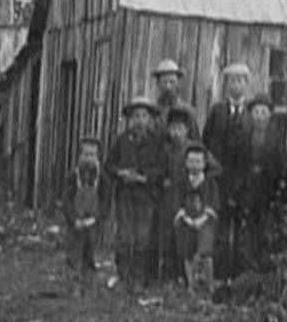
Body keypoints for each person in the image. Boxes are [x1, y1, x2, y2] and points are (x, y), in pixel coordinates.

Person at [105, 97, 164, 293]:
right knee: (124, 237)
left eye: (144, 116)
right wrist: (120, 173)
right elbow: (109, 165)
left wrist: (144, 177)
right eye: (136, 116)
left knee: (142, 238)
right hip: (124, 195)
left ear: (149, 119)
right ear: (130, 119)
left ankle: (139, 278)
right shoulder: (122, 140)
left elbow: (161, 168)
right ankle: (124, 277)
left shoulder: (155, 142)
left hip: (146, 197)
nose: (140, 120)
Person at [202, 62, 253, 279]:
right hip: (219, 177)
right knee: (220, 226)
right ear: (226, 84)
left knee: (241, 227)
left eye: (240, 80)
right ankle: (220, 274)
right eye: (232, 80)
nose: (236, 85)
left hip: (243, 179)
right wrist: (214, 168)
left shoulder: (252, 113)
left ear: (246, 84)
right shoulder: (217, 111)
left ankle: (239, 274)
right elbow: (205, 143)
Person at [159, 108, 221, 282]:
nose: (176, 133)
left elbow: (216, 168)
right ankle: (170, 274)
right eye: (173, 129)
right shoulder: (167, 150)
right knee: (170, 236)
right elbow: (159, 170)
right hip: (170, 198)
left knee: (192, 239)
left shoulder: (195, 149)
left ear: (187, 129)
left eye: (180, 128)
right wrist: (165, 179)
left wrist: (200, 179)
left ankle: (192, 277)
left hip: (192, 199)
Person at [240, 93, 287, 267]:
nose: (260, 116)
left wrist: (280, 187)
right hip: (249, 185)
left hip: (268, 187)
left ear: (270, 115)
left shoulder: (276, 137)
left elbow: (282, 164)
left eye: (263, 112)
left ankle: (265, 263)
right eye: (256, 112)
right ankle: (248, 262)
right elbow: (239, 162)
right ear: (251, 115)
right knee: (249, 225)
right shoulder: (245, 134)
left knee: (266, 225)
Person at [62, 136, 111, 295]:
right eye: (86, 154)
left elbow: (106, 200)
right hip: (76, 222)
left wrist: (99, 217)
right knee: (74, 254)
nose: (89, 158)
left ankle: (89, 284)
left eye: (93, 155)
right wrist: (73, 218)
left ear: (98, 157)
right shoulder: (73, 177)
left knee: (90, 254)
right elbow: (67, 200)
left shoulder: (102, 179)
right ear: (79, 156)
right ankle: (74, 285)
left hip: (93, 222)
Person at [174, 141, 220, 295]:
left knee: (205, 252)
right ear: (186, 163)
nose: (194, 165)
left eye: (198, 161)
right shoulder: (182, 182)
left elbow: (214, 203)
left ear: (205, 163)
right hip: (187, 221)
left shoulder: (210, 183)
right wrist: (186, 218)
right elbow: (177, 201)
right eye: (191, 161)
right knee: (187, 253)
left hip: (205, 222)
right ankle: (191, 285)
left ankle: (210, 284)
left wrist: (203, 218)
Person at [152, 58, 200, 140]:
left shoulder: (188, 112)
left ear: (178, 83)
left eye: (172, 82)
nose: (168, 86)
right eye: (164, 82)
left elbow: (195, 142)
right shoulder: (151, 112)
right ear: (158, 84)